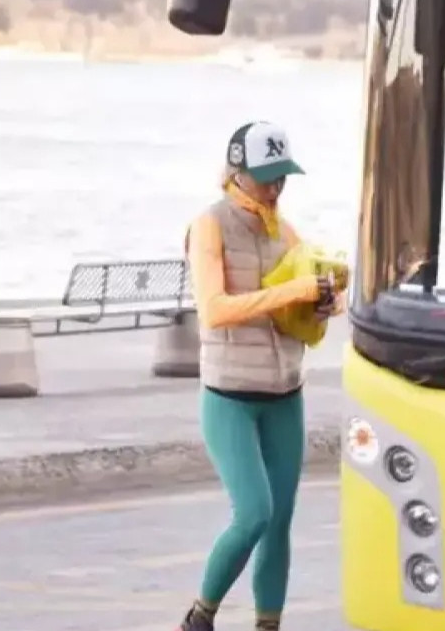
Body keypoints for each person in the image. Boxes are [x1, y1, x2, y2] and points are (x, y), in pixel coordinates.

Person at [176, 121, 342, 631]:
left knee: (280, 522)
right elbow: (214, 310)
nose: (276, 187)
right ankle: (199, 617)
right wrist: (291, 292)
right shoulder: (210, 226)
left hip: (285, 394)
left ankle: (269, 624)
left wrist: (323, 303)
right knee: (254, 513)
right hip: (230, 397)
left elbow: (300, 312)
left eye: (283, 177)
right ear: (238, 172)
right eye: (268, 177)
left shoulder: (285, 233)